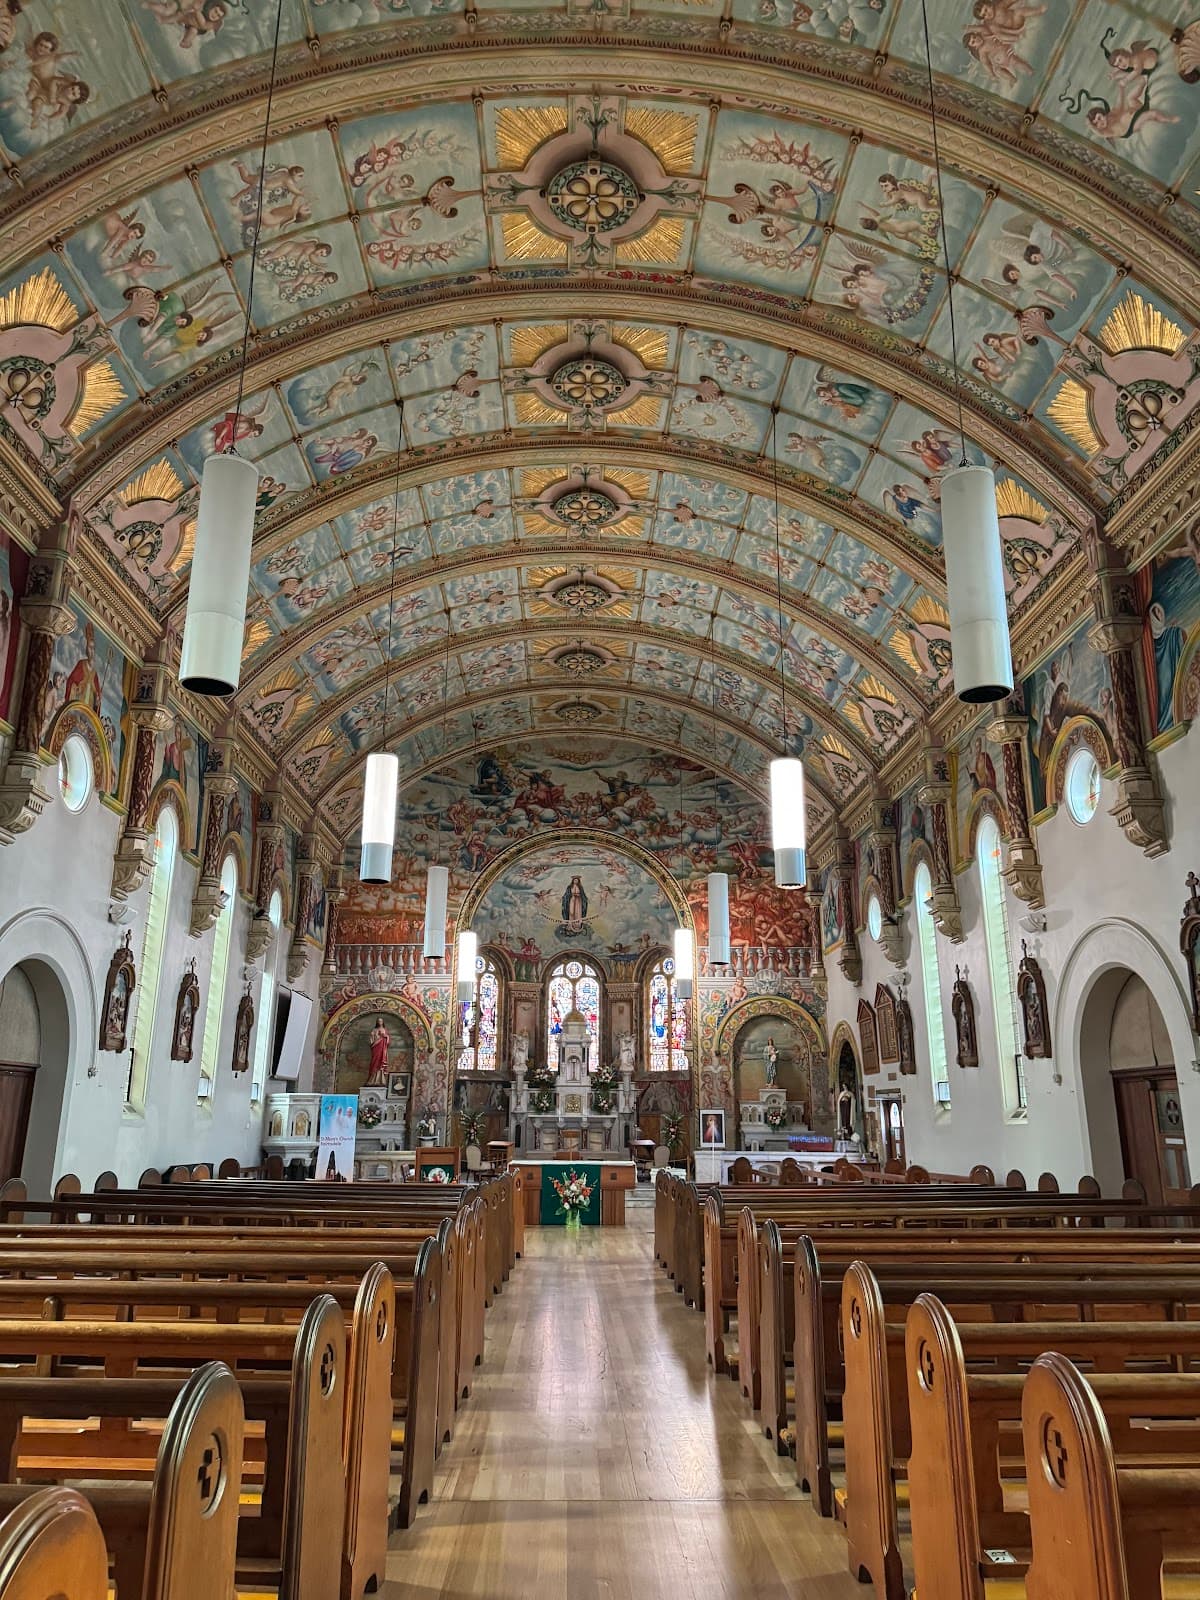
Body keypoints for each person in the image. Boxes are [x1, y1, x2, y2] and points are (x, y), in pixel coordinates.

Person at [365, 1018, 390, 1086]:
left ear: (383, 1022)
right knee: (374, 1062)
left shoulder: (385, 1030)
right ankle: (372, 1080)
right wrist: (372, 1035)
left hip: (382, 1048)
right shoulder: (374, 1030)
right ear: (377, 1022)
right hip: (375, 1048)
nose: (380, 1022)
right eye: (378, 1021)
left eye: (381, 1021)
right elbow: (371, 1041)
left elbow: (388, 1042)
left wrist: (386, 1037)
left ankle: (380, 1080)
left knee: (380, 1062)